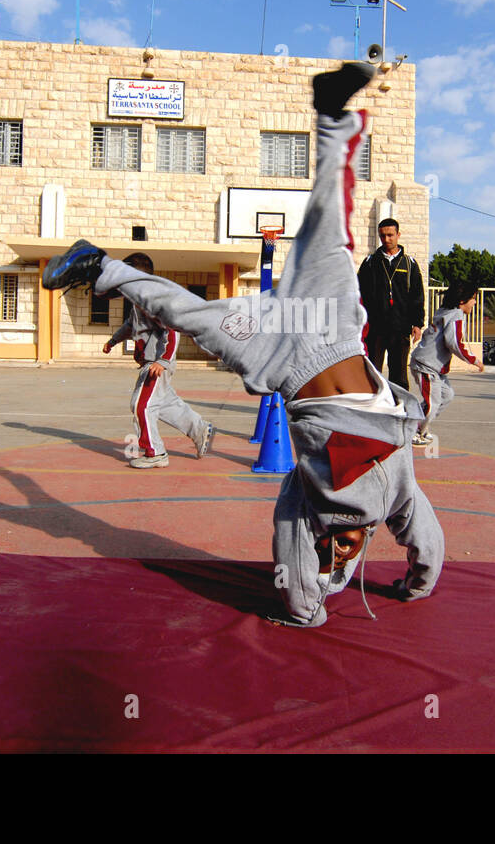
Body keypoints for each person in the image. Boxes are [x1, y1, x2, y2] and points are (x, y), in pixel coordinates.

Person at [41, 61, 443, 629]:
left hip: (281, 355)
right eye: (348, 547)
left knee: (193, 312)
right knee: (327, 222)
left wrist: (321, 603)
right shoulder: (391, 493)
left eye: (335, 547)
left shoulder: (315, 500)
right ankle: (330, 112)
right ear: (368, 537)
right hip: (332, 328)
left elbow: (299, 546)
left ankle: (99, 266)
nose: (342, 544)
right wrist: (409, 587)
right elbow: (425, 541)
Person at [102, 253, 213, 468]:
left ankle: (155, 453)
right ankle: (200, 429)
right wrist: (114, 340)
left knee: (141, 405)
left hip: (156, 364)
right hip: (150, 362)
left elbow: (172, 330)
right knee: (165, 404)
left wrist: (163, 361)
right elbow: (130, 326)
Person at [409, 281, 484, 446]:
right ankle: (413, 431)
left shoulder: (447, 312)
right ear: (462, 301)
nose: (475, 302)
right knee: (433, 401)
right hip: (425, 365)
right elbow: (454, 343)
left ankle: (420, 426)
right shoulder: (455, 316)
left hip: (433, 367)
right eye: (473, 298)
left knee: (446, 395)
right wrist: (475, 360)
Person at [357, 218, 425, 390]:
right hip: (375, 328)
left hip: (400, 328)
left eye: (390, 235)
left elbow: (417, 295)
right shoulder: (370, 263)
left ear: (398, 235)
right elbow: (359, 293)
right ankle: (374, 407)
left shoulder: (409, 264)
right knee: (372, 371)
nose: (386, 239)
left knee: (399, 374)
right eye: (382, 236)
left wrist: (417, 323)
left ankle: (399, 407)